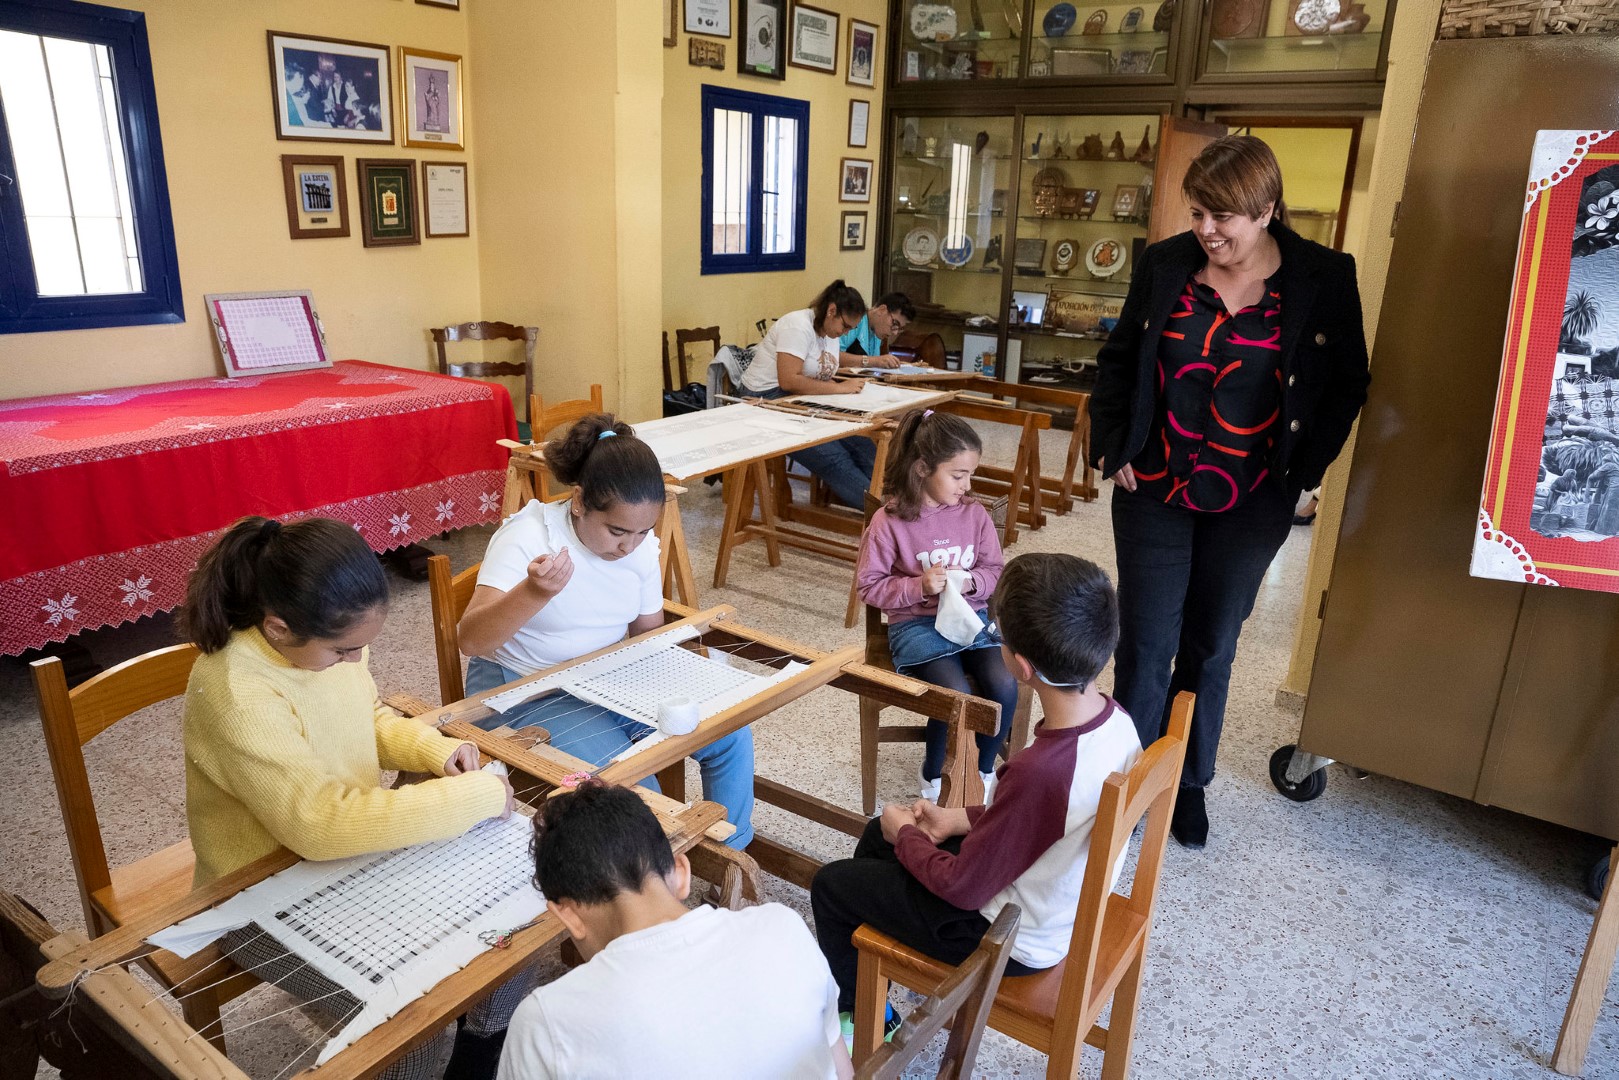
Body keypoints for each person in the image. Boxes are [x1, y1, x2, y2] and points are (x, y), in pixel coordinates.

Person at [1087, 134, 1371, 850]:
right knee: (1145, 644)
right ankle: (1125, 779)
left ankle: (1186, 782)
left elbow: (1347, 385)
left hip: (1251, 498)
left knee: (1210, 646)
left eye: (1225, 218)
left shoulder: (1323, 276)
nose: (1208, 231)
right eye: (1198, 215)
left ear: (1267, 208)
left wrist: (1304, 471)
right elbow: (1119, 360)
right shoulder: (1163, 265)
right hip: (1153, 485)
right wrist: (1115, 444)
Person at [181, 515, 521, 1080]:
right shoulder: (236, 688)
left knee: (503, 952)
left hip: (342, 863)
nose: (353, 660)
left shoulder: (324, 645)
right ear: (278, 628)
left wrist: (432, 750)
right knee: (412, 1032)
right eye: (344, 651)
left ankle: (474, 1062)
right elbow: (319, 825)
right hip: (254, 893)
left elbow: (363, 716)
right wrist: (474, 799)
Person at [812, 553, 1141, 1033]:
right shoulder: (1114, 721)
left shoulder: (1041, 771)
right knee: (878, 838)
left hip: (1009, 936)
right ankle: (872, 986)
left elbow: (964, 889)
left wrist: (910, 836)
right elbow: (1045, 818)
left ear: (1019, 666)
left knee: (834, 886)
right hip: (1051, 901)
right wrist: (960, 820)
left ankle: (866, 1021)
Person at [457, 414, 755, 849]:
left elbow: (646, 637)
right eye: (616, 530)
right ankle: (658, 871)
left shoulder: (638, 548)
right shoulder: (528, 535)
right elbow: (472, 640)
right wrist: (533, 593)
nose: (628, 546)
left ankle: (730, 853)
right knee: (638, 791)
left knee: (729, 734)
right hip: (524, 687)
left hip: (606, 676)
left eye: (642, 532)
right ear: (578, 502)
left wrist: (696, 684)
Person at [497, 782, 853, 1080]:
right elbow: (841, 1071)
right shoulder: (783, 927)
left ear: (567, 915)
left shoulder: (544, 1024)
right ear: (681, 873)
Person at [855, 408, 1017, 801]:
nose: (967, 485)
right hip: (915, 626)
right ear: (922, 469)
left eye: (970, 475)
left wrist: (974, 581)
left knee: (1004, 686)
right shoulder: (888, 521)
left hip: (971, 619)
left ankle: (981, 770)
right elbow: (869, 587)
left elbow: (995, 569)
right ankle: (934, 773)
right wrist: (919, 586)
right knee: (955, 693)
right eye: (958, 475)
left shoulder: (974, 514)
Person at [738, 280, 877, 508]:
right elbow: (789, 379)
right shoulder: (797, 325)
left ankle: (888, 504)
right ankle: (881, 515)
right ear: (831, 311)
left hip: (801, 396)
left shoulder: (830, 334)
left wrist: (842, 391)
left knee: (861, 441)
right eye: (845, 326)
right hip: (767, 396)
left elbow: (821, 373)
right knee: (833, 458)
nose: (846, 333)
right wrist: (840, 388)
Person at [838, 292, 916, 369]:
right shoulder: (855, 319)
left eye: (900, 328)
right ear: (882, 310)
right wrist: (874, 361)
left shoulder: (877, 332)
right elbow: (833, 356)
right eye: (895, 323)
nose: (895, 332)